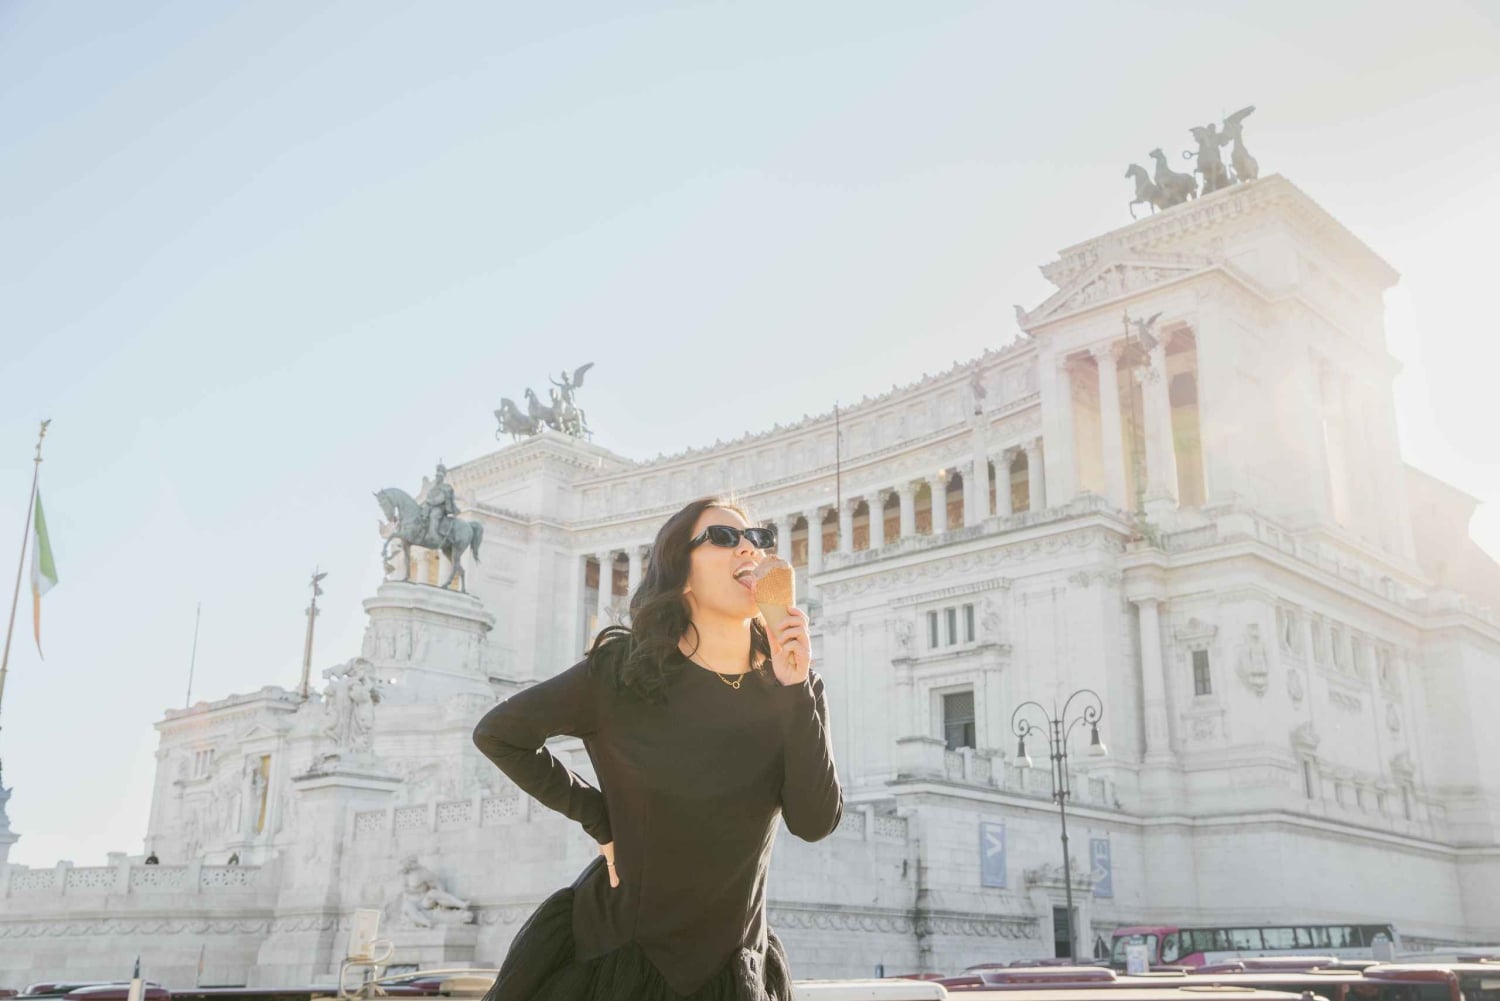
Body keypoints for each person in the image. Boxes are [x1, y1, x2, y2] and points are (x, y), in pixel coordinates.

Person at [473, 497, 842, 1001]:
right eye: (725, 538)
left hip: (731, 969)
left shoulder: (791, 687)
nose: (749, 550)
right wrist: (599, 818)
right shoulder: (622, 673)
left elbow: (815, 821)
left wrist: (795, 688)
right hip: (620, 959)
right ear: (680, 573)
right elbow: (499, 734)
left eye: (757, 539)